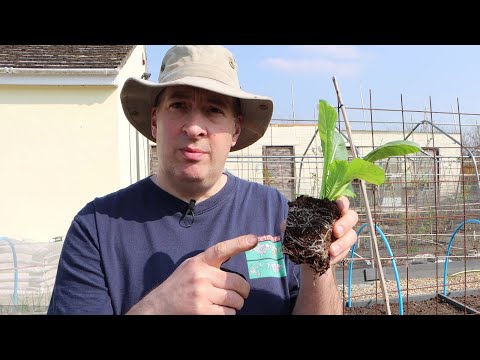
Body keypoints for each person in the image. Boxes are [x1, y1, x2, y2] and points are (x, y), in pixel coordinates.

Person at [47, 45, 358, 315]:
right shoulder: (97, 228)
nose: (194, 127)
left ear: (235, 130)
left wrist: (319, 264)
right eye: (179, 106)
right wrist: (158, 307)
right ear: (155, 120)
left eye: (213, 110)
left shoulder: (275, 211)